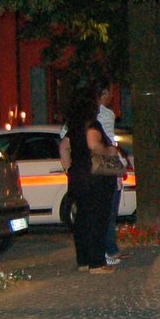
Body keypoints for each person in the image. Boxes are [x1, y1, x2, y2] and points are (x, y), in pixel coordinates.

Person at [60, 91, 122, 275]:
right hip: (96, 177)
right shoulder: (92, 125)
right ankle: (97, 263)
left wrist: (69, 169)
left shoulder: (74, 126)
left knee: (82, 219)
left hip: (79, 176)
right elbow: (93, 144)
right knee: (99, 218)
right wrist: (109, 151)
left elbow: (64, 147)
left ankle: (84, 261)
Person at [96, 84, 124, 265]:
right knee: (109, 210)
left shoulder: (79, 117)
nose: (112, 95)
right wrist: (114, 154)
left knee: (99, 211)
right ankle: (109, 249)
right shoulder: (106, 115)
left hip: (90, 168)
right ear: (103, 92)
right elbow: (109, 141)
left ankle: (106, 248)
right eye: (110, 92)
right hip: (106, 165)